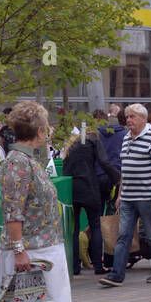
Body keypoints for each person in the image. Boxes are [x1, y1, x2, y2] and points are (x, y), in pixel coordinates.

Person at [0, 101, 83, 302]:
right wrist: (19, 249)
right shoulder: (16, 163)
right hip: (30, 251)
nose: (50, 132)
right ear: (38, 130)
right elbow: (13, 211)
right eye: (46, 127)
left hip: (46, 248)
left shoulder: (31, 160)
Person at [100, 104, 151, 286]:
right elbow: (125, 169)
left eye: (133, 117)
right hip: (128, 197)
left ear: (143, 119)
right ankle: (116, 275)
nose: (128, 120)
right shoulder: (126, 138)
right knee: (123, 236)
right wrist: (120, 194)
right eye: (127, 116)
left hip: (146, 196)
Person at [62, 112, 120, 277]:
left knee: (74, 228)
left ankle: (74, 266)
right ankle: (97, 265)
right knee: (95, 225)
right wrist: (117, 179)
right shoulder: (94, 141)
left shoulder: (71, 145)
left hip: (72, 188)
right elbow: (104, 162)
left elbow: (66, 168)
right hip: (89, 187)